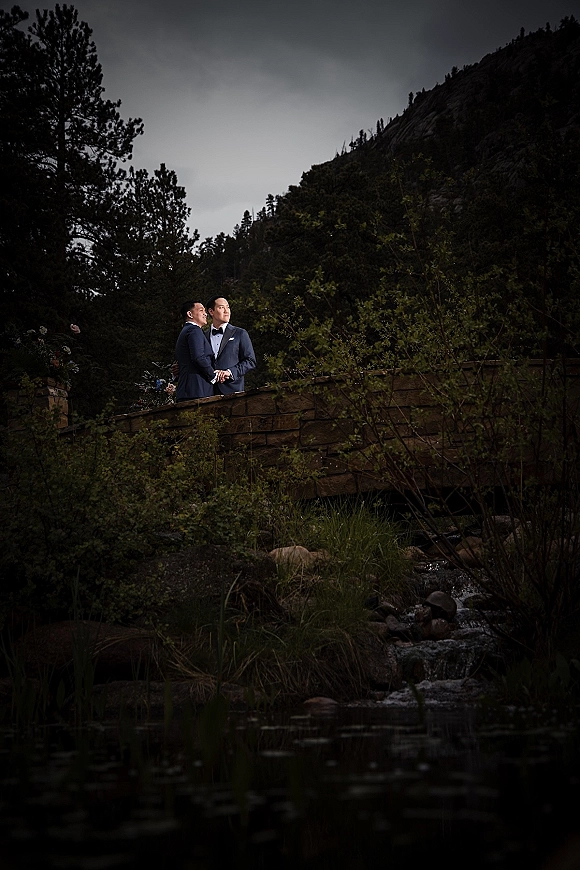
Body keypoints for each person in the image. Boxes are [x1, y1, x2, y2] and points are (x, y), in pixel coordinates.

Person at [174, 300, 228, 401]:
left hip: (188, 390)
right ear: (190, 314)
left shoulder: (185, 331)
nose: (205, 313)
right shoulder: (194, 330)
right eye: (201, 310)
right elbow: (198, 357)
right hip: (197, 390)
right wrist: (213, 375)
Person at [206, 296, 256, 394]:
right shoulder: (203, 336)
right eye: (221, 307)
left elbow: (250, 361)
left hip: (233, 390)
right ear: (211, 312)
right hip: (208, 392)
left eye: (228, 307)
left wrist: (230, 372)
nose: (226, 311)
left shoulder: (240, 333)